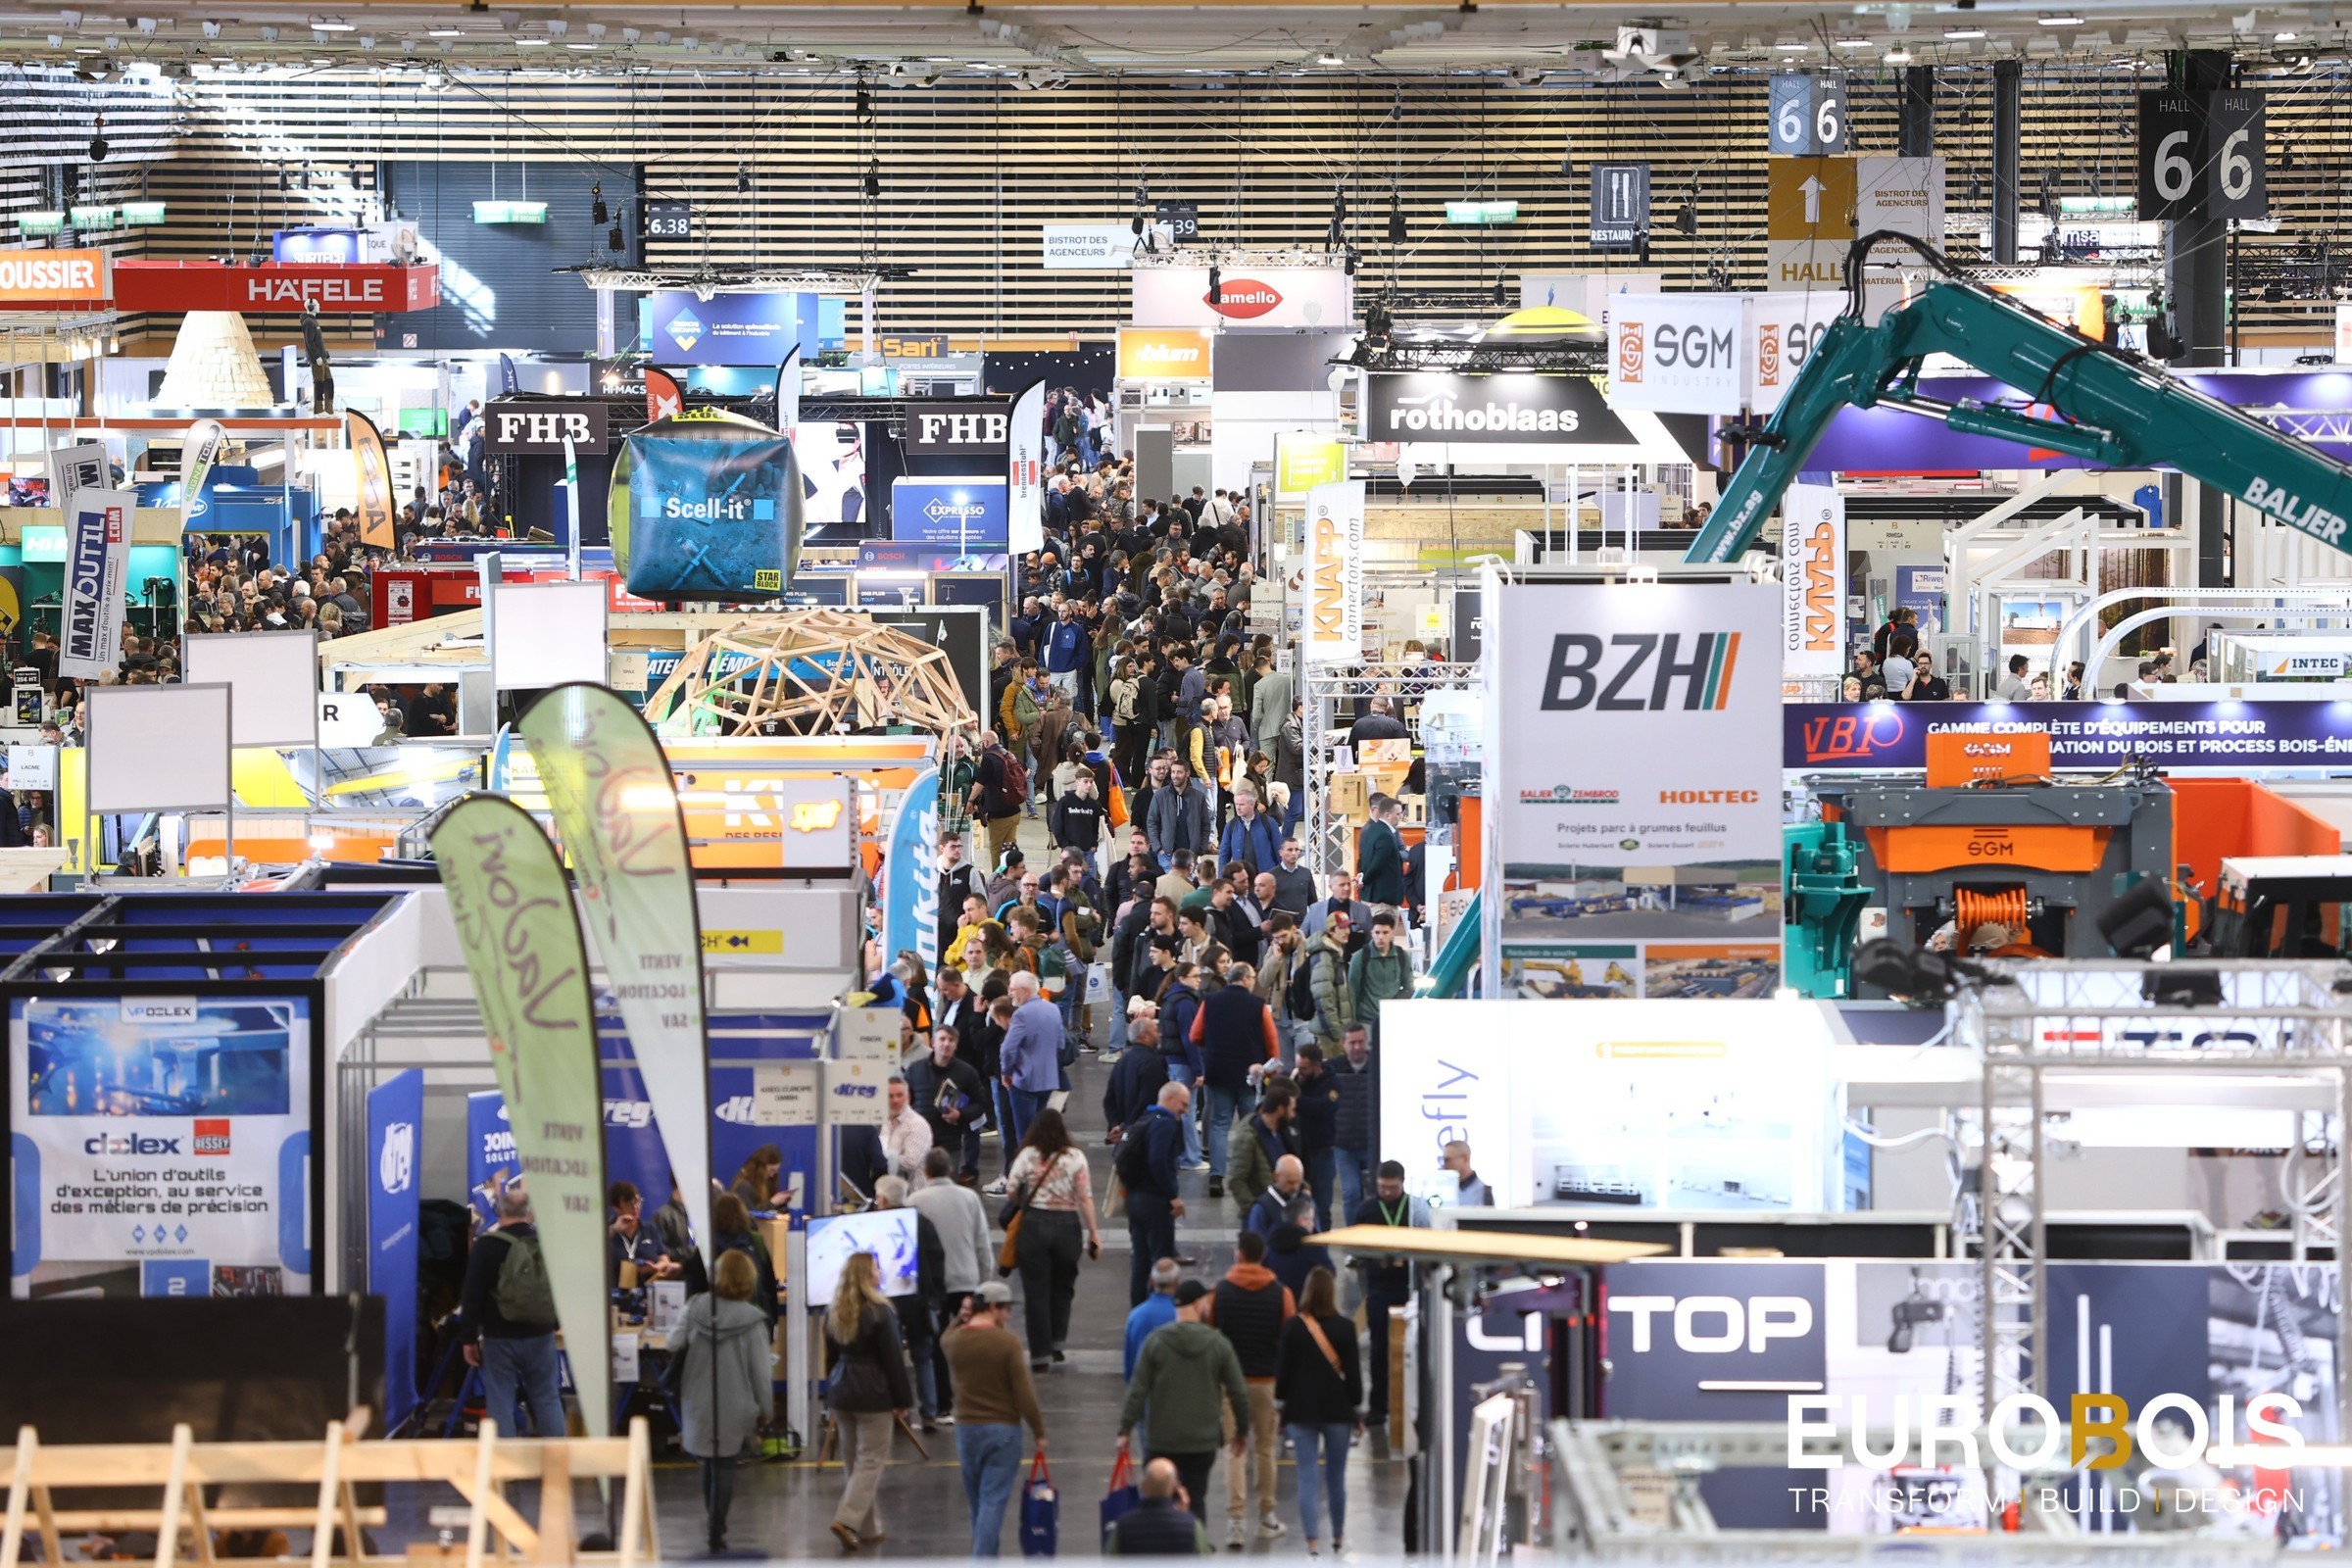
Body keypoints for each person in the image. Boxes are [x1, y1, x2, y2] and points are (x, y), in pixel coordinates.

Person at [1117, 1280, 1251, 1524]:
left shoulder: (1155, 1342)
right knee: (1196, 1499)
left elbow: (1137, 1389)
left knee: (1159, 1503)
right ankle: (1194, 1542)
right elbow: (1238, 1391)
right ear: (1198, 1304)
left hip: (1162, 1440)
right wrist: (1242, 1431)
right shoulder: (1218, 1343)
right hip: (1202, 1441)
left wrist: (1124, 1430)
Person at [674, 1248, 773, 1552]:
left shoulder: (695, 1307)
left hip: (698, 1398)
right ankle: (717, 1528)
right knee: (725, 1465)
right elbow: (761, 1373)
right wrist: (767, 1410)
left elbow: (672, 1342)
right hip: (736, 1402)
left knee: (708, 1461)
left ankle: (712, 1521)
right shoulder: (754, 1321)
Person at [943, 1279, 1048, 1557]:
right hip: (1002, 1431)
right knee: (993, 1502)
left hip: (966, 1430)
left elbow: (944, 1337)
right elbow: (1023, 1392)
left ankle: (987, 1557)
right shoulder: (1007, 1343)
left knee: (978, 1503)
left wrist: (961, 1316)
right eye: (1005, 1309)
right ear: (992, 1307)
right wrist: (1038, 1430)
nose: (1008, 1316)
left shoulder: (955, 1340)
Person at [1203, 1229, 1295, 1545]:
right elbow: (1287, 1339)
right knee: (1265, 1448)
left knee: (1235, 1448)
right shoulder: (1281, 1294)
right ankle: (1267, 1516)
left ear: (1239, 1254)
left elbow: (1211, 1335)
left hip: (1231, 1383)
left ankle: (1236, 1522)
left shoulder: (1220, 1292)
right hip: (1266, 1381)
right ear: (1263, 1256)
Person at [822, 1250, 916, 1553]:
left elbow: (830, 1358)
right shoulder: (881, 1312)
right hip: (873, 1393)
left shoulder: (833, 1311)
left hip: (842, 1390)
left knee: (853, 1460)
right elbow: (893, 1360)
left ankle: (869, 1528)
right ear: (867, 1276)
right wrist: (903, 1400)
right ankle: (847, 1520)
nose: (880, 1272)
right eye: (876, 1268)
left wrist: (830, 1393)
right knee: (871, 1460)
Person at [461, 1183, 566, 1437]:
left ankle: (506, 1461)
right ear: (528, 1212)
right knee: (546, 1397)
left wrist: (468, 1338)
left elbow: (472, 1295)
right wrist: (554, 1322)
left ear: (499, 1211)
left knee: (500, 1402)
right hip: (539, 1333)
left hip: (499, 1336)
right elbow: (562, 1287)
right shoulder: (546, 1243)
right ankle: (557, 1457)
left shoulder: (486, 1246)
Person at [1277, 1265, 1364, 1559]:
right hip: (1338, 1411)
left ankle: (1312, 1543)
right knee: (1336, 1478)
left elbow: (1283, 1375)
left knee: (1307, 1477)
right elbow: (1353, 1376)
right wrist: (1356, 1409)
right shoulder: (1345, 1328)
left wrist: (1281, 1407)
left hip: (1301, 1410)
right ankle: (1338, 1536)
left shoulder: (1292, 1327)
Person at [1005, 1106, 1102, 1369]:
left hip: (1034, 1225)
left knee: (1035, 1291)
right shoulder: (1075, 1157)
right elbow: (1085, 1198)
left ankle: (1040, 1355)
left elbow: (1011, 1190)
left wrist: (1026, 1200)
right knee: (1063, 1286)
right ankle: (1057, 1342)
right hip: (1067, 1226)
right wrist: (1093, 1232)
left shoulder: (1027, 1155)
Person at [911, 1147, 991, 1416]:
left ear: (925, 1172)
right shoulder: (969, 1198)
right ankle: (976, 1400)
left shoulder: (915, 1201)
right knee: (972, 1343)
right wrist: (984, 1281)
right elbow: (982, 1242)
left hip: (933, 1285)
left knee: (937, 1345)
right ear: (951, 1170)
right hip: (966, 1279)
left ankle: (943, 1406)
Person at [1191, 959, 1280, 1197]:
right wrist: (1271, 1069)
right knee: (1250, 1125)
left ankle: (1216, 1176)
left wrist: (1212, 1044)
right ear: (1245, 979)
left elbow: (1195, 1035)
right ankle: (1251, 1176)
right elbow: (1272, 1042)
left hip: (1218, 1070)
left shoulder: (1210, 1002)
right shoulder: (1258, 1005)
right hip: (1250, 1074)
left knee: (1220, 1123)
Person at [1349, 1161, 1427, 1427]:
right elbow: (1355, 1248)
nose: (1388, 1192)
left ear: (1402, 1183)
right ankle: (1378, 1406)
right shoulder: (1367, 1210)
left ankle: (1414, 1405)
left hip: (1409, 1288)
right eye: (1383, 1187)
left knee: (1412, 1347)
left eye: (1393, 1187)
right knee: (1379, 1349)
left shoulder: (1415, 1209)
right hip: (1379, 1288)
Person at [872, 1175, 949, 1429]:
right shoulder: (922, 1222)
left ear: (882, 1199)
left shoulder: (874, 1225)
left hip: (885, 1303)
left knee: (890, 1358)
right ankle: (929, 1412)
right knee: (923, 1357)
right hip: (919, 1303)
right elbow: (937, 1259)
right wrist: (936, 1298)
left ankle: (899, 1412)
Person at [1118, 1078, 1190, 1303]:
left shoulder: (1144, 1119)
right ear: (1170, 1099)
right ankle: (1159, 1312)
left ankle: (1138, 1310)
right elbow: (1157, 1160)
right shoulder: (1165, 1123)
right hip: (1155, 1202)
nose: (1186, 1110)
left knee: (1140, 1262)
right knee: (1161, 1262)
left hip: (1135, 1199)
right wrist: (1173, 1196)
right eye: (1183, 1104)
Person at [995, 970, 1063, 1160]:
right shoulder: (1053, 1009)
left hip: (1025, 1081)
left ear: (1024, 991)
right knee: (1040, 1132)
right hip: (1048, 1080)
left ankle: (1026, 1170)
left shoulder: (1021, 1014)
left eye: (1012, 989)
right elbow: (1060, 1044)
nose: (1010, 993)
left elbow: (1008, 1049)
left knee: (1025, 1135)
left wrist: (1006, 1072)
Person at [906, 1022, 985, 1175]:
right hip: (918, 1141)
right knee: (918, 1184)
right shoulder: (915, 1070)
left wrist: (960, 1114)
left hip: (950, 1143)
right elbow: (905, 1101)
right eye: (942, 1039)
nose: (946, 1043)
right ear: (933, 1043)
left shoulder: (967, 1072)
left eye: (951, 1040)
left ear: (956, 1045)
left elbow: (980, 1104)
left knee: (947, 1183)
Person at [1103, 1457, 1215, 1556]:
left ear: (1143, 1486)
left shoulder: (1123, 1526)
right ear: (1174, 1488)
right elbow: (1204, 1558)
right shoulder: (1191, 1526)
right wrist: (1184, 1516)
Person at [1326, 1027, 1376, 1226]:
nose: (1357, 1047)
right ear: (1343, 1044)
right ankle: (1352, 1234)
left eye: (1360, 1042)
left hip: (1371, 1143)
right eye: (1352, 1043)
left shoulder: (1378, 1064)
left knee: (1374, 1193)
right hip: (1343, 1144)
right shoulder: (1332, 1069)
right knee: (1351, 1192)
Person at [1227, 1085, 1298, 1215]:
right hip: (1263, 1216)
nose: (1293, 1115)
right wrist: (1255, 1209)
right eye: (1291, 1110)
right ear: (1280, 1109)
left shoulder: (1281, 1132)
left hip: (1284, 1212)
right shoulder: (1248, 1137)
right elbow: (1236, 1180)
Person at [1348, 911, 1415, 1045]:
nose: (1381, 937)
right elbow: (1352, 992)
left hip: (1393, 1020)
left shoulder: (1402, 956)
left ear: (1392, 933)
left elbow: (1409, 988)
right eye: (1377, 932)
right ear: (1371, 933)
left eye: (1385, 932)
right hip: (1366, 1020)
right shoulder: (1360, 957)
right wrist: (1353, 1023)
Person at [607, 1180, 678, 1286]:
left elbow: (665, 1260)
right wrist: (614, 1229)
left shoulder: (649, 1229)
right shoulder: (608, 1230)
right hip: (613, 1292)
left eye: (638, 1201)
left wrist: (655, 1268)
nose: (635, 1207)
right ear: (616, 1207)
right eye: (630, 1203)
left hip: (647, 1290)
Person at [879, 1074, 934, 1183]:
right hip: (892, 1186)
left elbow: (910, 1162)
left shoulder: (917, 1124)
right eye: (890, 1096)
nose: (895, 1100)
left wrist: (879, 1157)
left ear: (908, 1097)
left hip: (914, 1189)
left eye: (899, 1095)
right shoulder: (886, 1122)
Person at [1356, 794, 1406, 909]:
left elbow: (1364, 858)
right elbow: (1377, 864)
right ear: (1388, 815)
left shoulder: (1371, 830)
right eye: (1398, 814)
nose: (1401, 817)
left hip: (1372, 896)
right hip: (1382, 900)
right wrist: (1364, 879)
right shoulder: (1385, 835)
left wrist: (1363, 877)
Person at [1443, 1140, 1494, 1205]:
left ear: (1465, 1159)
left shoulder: (1484, 1193)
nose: (1445, 1165)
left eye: (1448, 1160)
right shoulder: (1443, 1190)